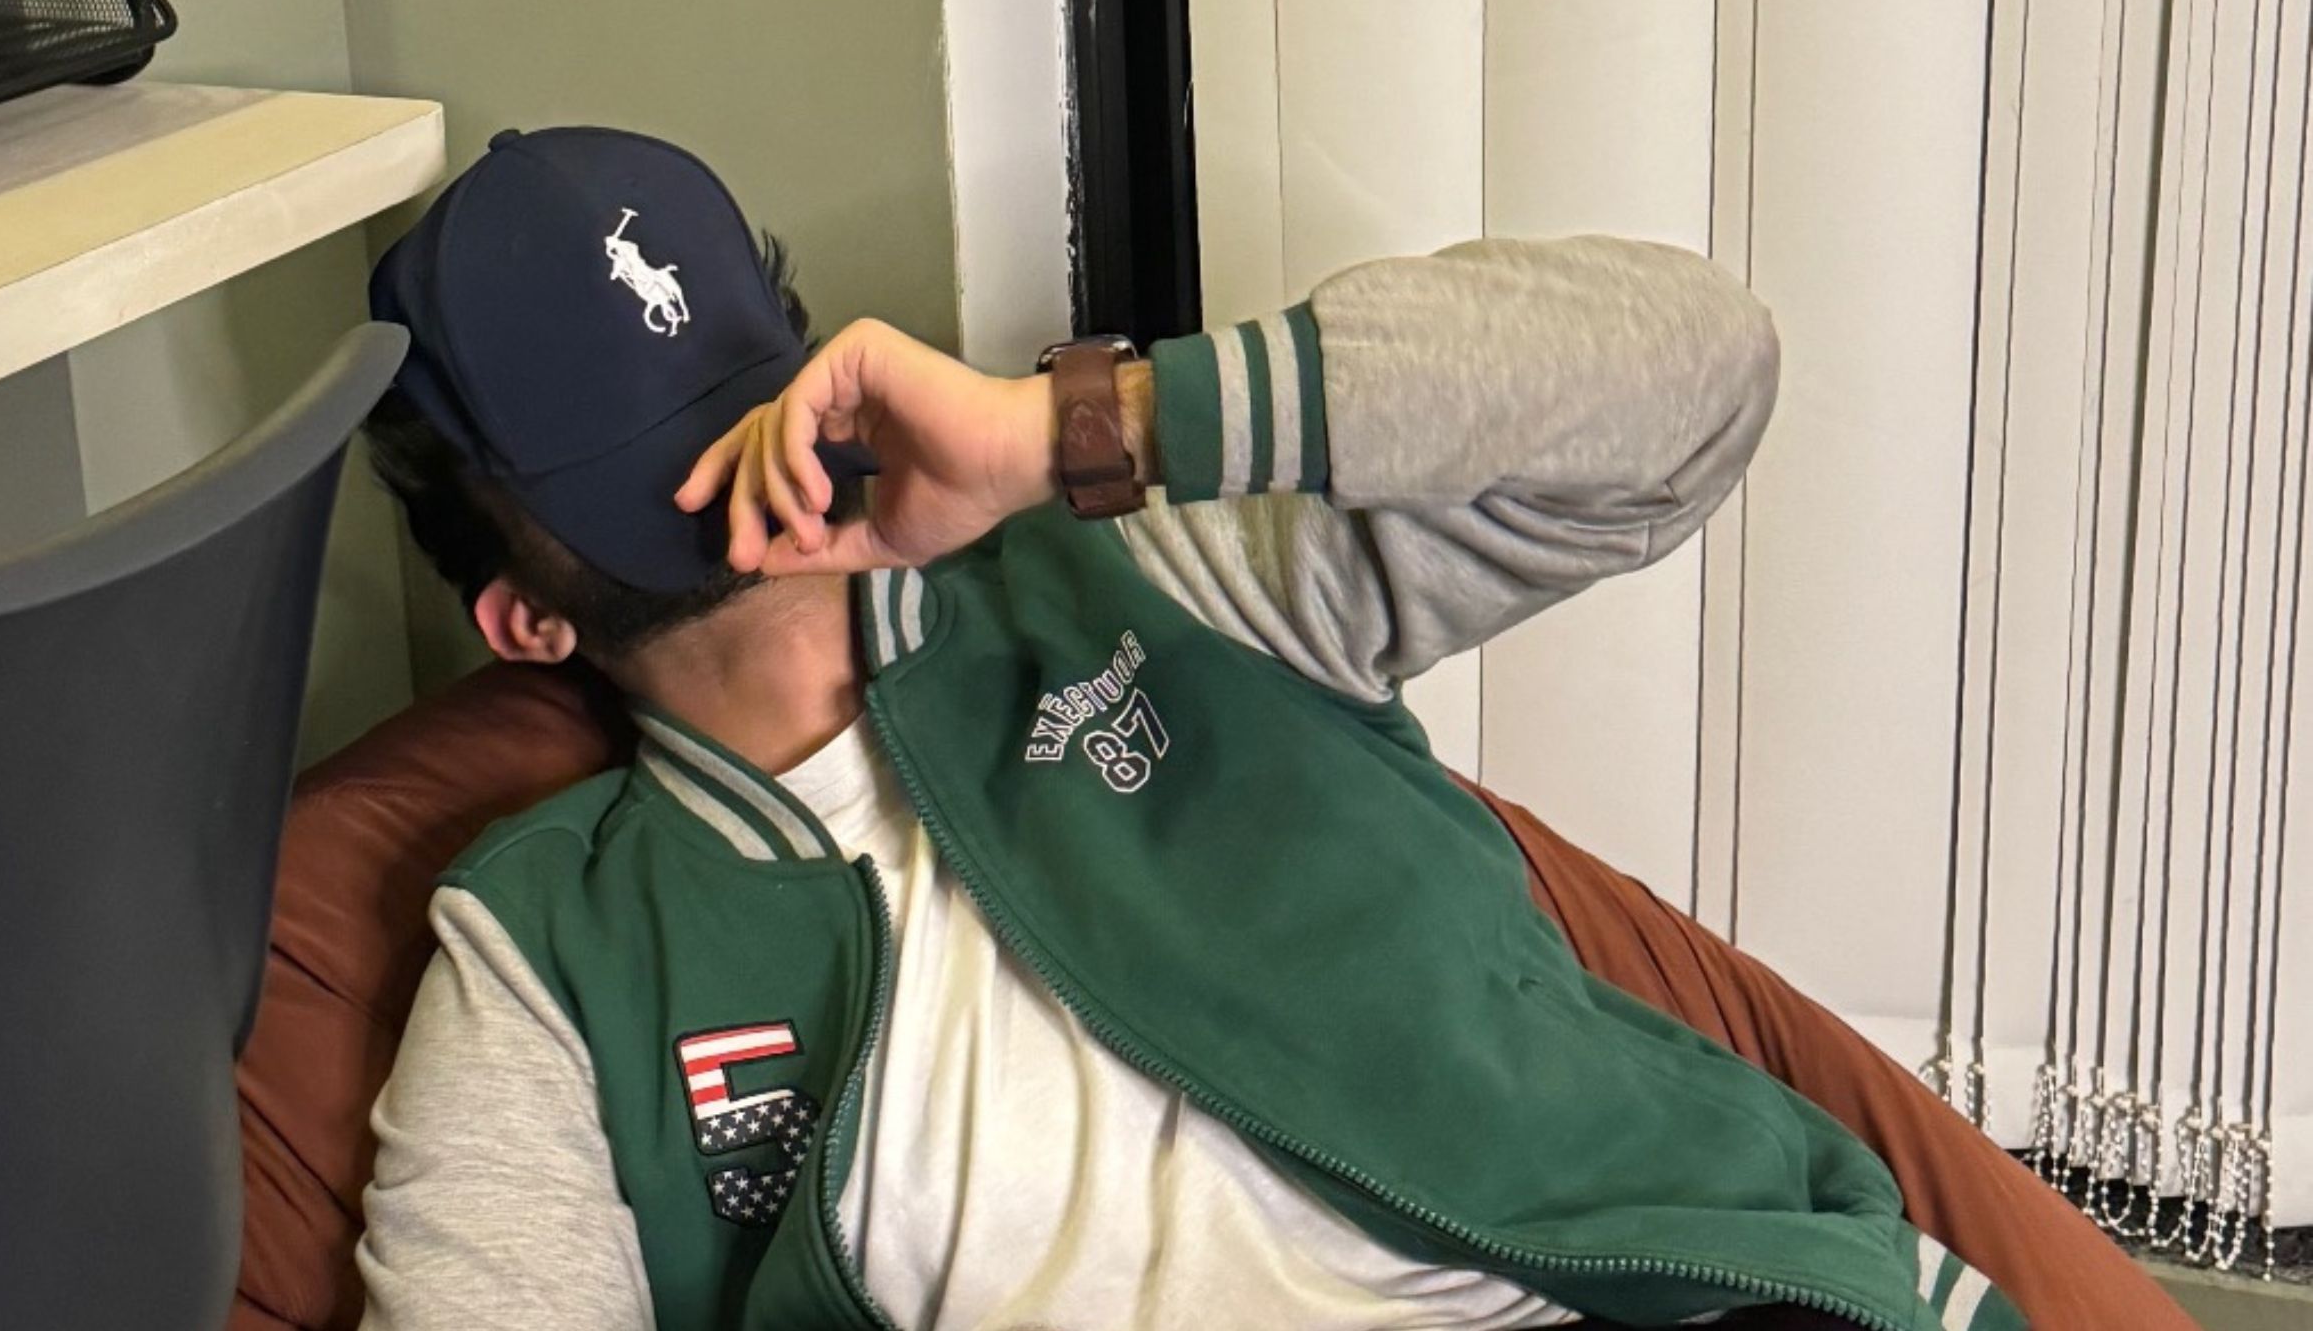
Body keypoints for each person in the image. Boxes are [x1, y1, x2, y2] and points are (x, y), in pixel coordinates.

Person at [351, 125, 2019, 1331]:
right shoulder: (546, 945)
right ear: (522, 617)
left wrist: (1085, 429)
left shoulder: (1144, 565)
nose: (726, 466)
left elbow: (1699, 375)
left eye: (722, 375)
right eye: (628, 454)